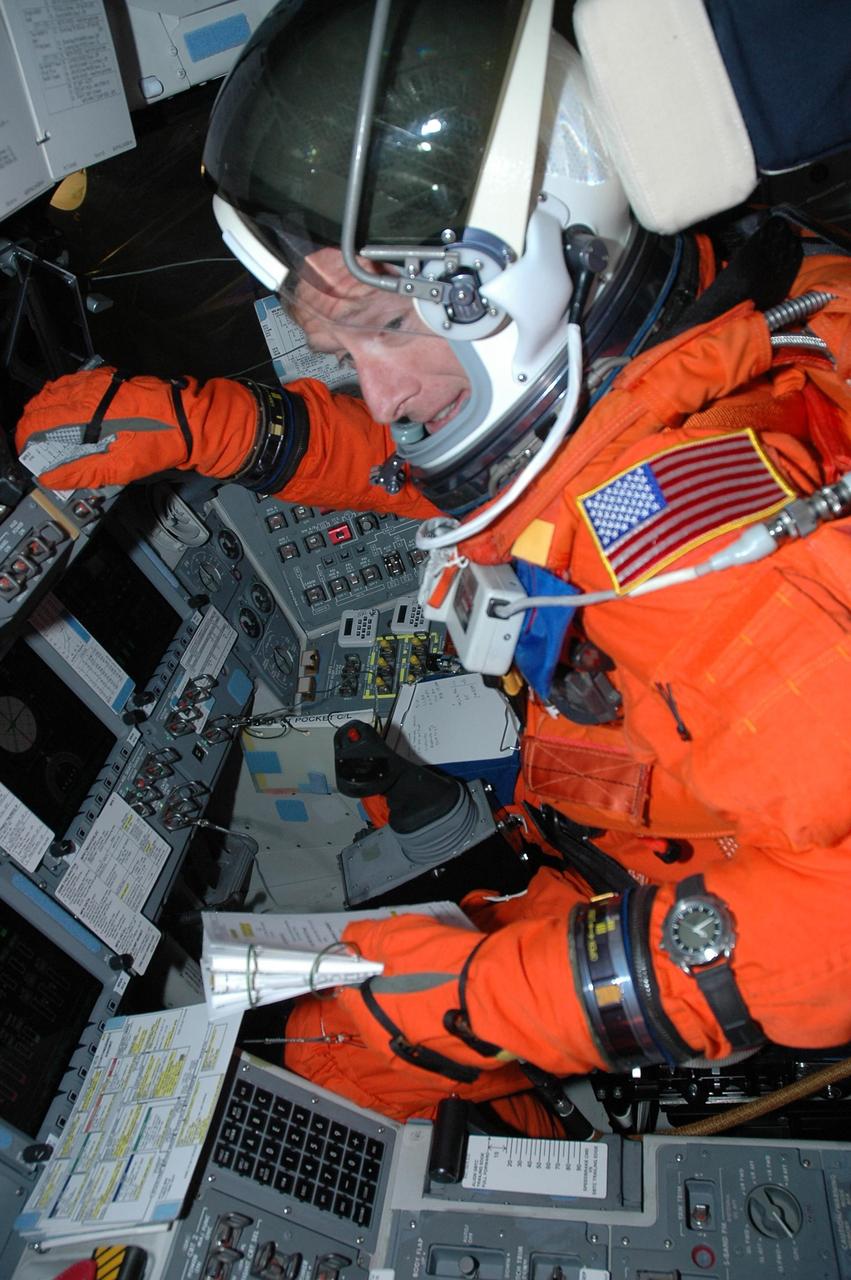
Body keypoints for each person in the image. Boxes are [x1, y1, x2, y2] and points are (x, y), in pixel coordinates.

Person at [14, 0, 851, 1135]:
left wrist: (480, 1003)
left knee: (336, 1049)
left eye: (384, 327)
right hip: (609, 834)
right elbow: (423, 456)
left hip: (662, 896)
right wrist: (211, 426)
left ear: (516, 278)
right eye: (346, 351)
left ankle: (543, 1148)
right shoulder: (651, 343)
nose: (384, 391)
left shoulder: (692, 554)